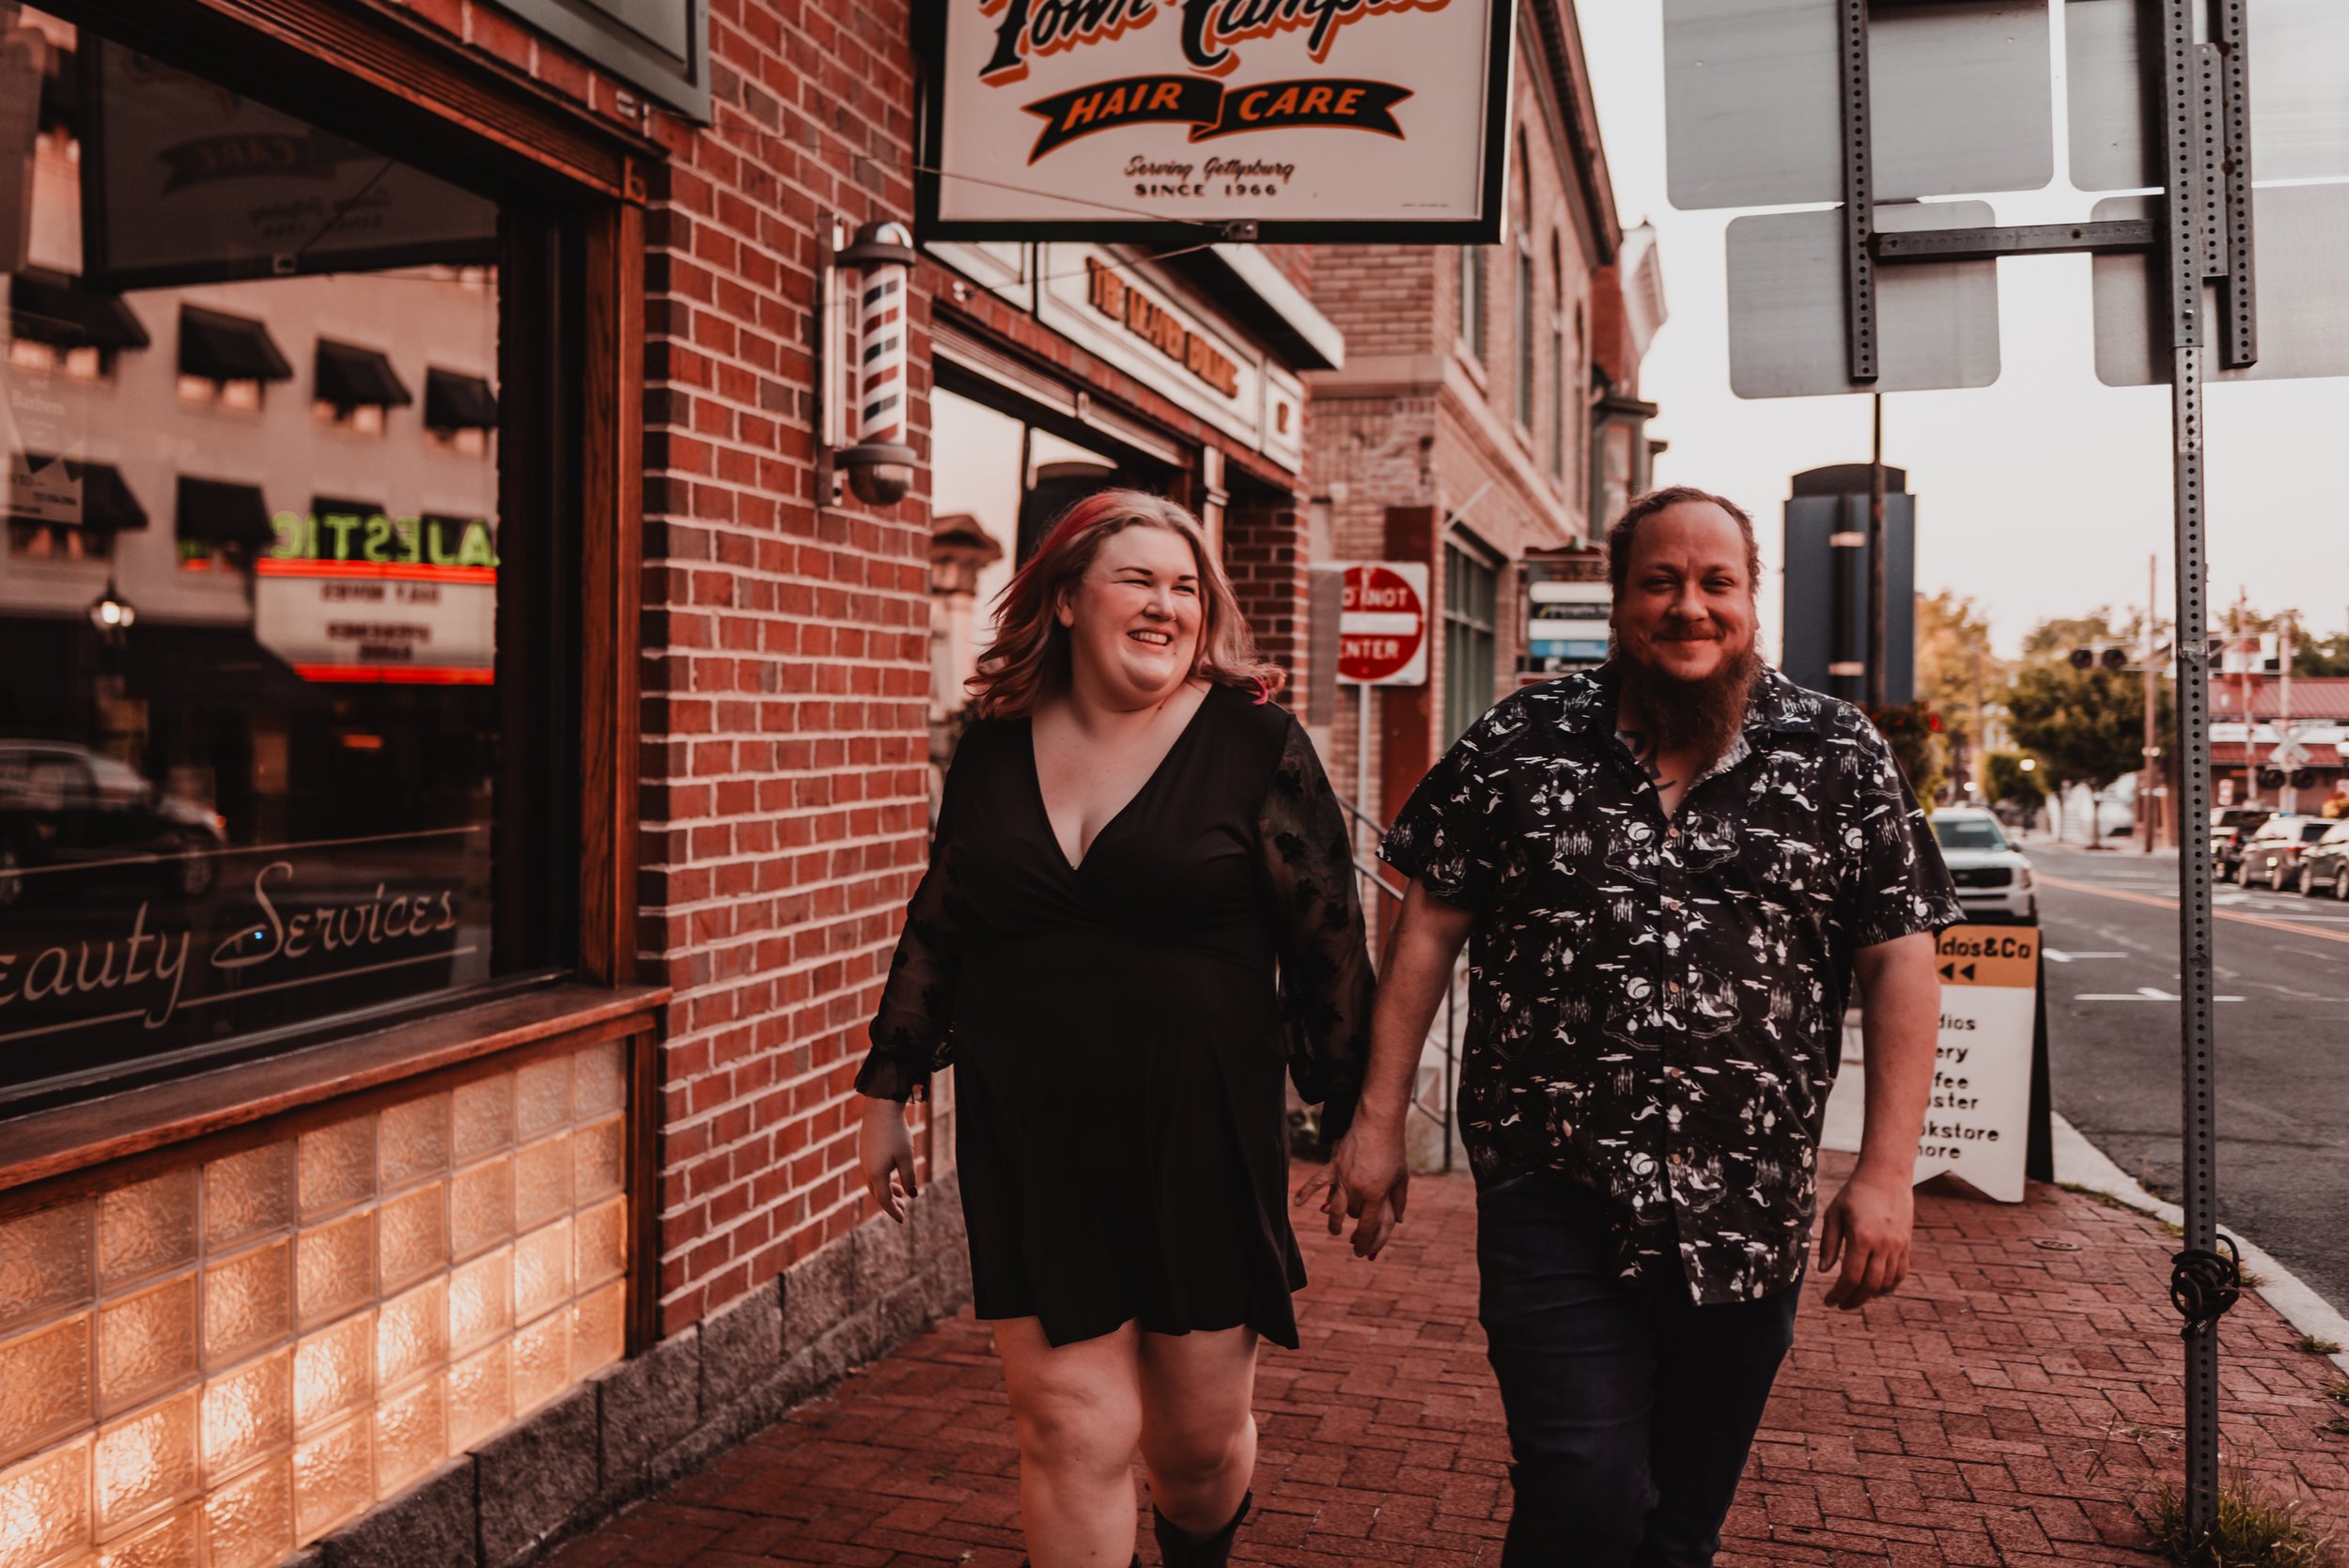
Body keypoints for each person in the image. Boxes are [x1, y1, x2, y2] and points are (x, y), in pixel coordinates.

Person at [1318, 485, 1960, 1567]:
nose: (1688, 606)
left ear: (1753, 600)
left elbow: (1900, 959)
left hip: (1746, 1207)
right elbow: (1427, 923)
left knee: (1678, 1525)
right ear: (1619, 600)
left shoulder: (1836, 757)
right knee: (1582, 1491)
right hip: (1549, 1187)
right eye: (1660, 580)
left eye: (1716, 582)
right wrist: (1378, 1120)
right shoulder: (1524, 737)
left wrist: (1886, 1171)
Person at [856, 489, 1373, 1568]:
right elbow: (942, 920)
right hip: (1035, 1138)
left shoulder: (1254, 744)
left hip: (1202, 1138)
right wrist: (886, 1086)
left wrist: (1353, 1118)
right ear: (1064, 603)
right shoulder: (993, 750)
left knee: (1192, 1450)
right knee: (1070, 1429)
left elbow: (1328, 940)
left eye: (1186, 586)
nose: (1166, 603)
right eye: (1138, 578)